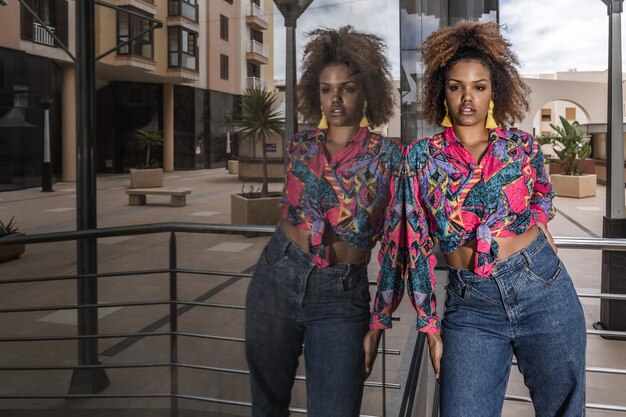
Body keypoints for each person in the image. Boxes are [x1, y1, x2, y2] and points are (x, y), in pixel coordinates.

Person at [386, 21, 586, 416]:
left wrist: (540, 219)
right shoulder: (420, 158)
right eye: (456, 86)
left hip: (541, 286)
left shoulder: (523, 147)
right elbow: (416, 245)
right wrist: (428, 326)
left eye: (479, 86)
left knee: (565, 410)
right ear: (441, 91)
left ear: (494, 91)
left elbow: (543, 194)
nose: (467, 97)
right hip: (470, 304)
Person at [245, 26, 403, 417]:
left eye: (346, 88)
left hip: (341, 294)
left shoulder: (389, 157)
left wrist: (380, 319)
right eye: (326, 89)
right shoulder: (301, 145)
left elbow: (396, 245)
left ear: (365, 90)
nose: (335, 99)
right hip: (278, 273)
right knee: (267, 402)